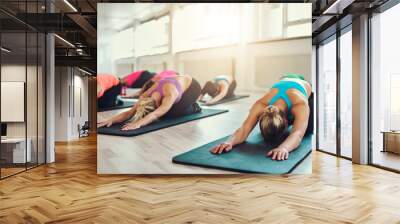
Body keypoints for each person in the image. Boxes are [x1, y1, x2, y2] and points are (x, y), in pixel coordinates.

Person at [210, 74, 313, 161]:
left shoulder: (300, 104)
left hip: (303, 85)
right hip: (284, 80)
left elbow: (297, 134)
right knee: (272, 131)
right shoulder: (261, 104)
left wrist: (284, 148)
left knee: (307, 131)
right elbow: (244, 129)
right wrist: (229, 142)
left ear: (287, 121)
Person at [97, 75, 201, 130]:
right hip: (174, 85)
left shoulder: (170, 95)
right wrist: (111, 120)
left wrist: (138, 124)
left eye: (156, 107)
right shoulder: (145, 96)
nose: (157, 108)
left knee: (170, 114)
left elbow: (155, 114)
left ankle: (195, 107)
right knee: (164, 112)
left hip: (192, 86)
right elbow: (130, 112)